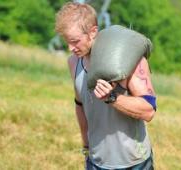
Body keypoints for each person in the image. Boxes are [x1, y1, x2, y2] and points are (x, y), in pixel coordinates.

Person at [55, 2, 156, 169]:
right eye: (66, 41)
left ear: (93, 32)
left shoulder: (127, 59)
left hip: (134, 162)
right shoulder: (73, 62)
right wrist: (86, 146)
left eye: (75, 41)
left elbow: (149, 110)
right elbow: (80, 105)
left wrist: (112, 98)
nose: (70, 48)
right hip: (96, 162)